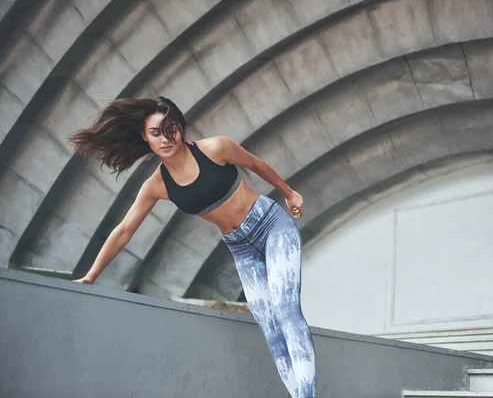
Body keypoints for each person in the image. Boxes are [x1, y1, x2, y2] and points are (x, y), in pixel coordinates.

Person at [68, 96, 316, 398]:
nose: (166, 138)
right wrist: (91, 275)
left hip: (271, 225)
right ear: (144, 137)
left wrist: (289, 193)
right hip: (241, 249)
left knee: (286, 309)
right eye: (156, 133)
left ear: (180, 127)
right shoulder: (157, 185)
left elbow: (257, 164)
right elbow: (124, 231)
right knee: (270, 329)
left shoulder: (215, 148)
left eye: (170, 128)